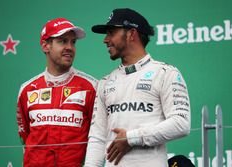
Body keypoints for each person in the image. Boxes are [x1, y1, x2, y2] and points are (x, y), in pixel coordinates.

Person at [84, 8, 191, 167]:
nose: (105, 40)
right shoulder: (105, 82)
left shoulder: (165, 73)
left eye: (111, 32)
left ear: (131, 34)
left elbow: (181, 123)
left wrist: (131, 138)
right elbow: (97, 137)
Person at [16, 18, 97, 167]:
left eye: (73, 42)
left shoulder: (91, 87)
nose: (70, 47)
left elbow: (98, 137)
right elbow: (25, 136)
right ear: (45, 46)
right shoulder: (27, 89)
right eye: (62, 41)